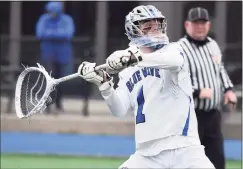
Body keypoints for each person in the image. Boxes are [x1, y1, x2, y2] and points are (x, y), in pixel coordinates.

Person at [78, 5, 215, 169]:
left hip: (184, 149)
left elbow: (174, 62)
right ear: (134, 32)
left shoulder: (174, 50)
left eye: (157, 26)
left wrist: (134, 58)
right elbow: (119, 109)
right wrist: (104, 85)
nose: (155, 30)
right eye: (147, 27)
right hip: (146, 154)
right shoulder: (128, 69)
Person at [178, 7, 238, 169]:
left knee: (217, 160)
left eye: (203, 23)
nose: (200, 27)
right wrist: (197, 92)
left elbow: (220, 70)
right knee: (190, 160)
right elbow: (175, 83)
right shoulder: (179, 50)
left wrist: (228, 90)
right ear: (187, 25)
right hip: (191, 116)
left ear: (209, 25)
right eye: (196, 23)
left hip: (213, 114)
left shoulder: (212, 45)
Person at [35, 1, 75, 113]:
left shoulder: (66, 19)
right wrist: (57, 34)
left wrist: (50, 34)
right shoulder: (44, 19)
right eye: (49, 11)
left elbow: (68, 34)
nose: (51, 14)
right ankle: (47, 105)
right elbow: (40, 33)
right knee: (47, 79)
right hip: (48, 54)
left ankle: (58, 104)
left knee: (59, 80)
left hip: (62, 55)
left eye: (53, 11)